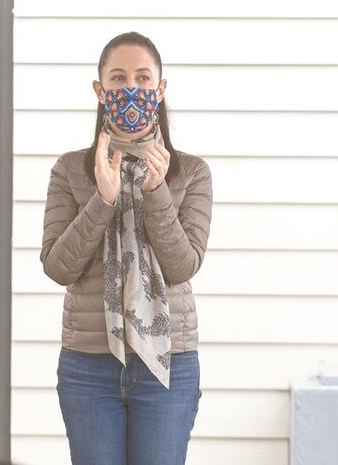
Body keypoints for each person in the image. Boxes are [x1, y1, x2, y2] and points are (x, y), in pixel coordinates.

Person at [41, 32, 212, 464]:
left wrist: (156, 193)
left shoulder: (190, 172)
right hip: (89, 365)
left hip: (168, 364)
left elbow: (182, 266)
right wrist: (103, 198)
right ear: (100, 91)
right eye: (117, 79)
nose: (130, 90)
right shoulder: (69, 169)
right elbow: (59, 267)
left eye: (142, 78)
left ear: (160, 89)